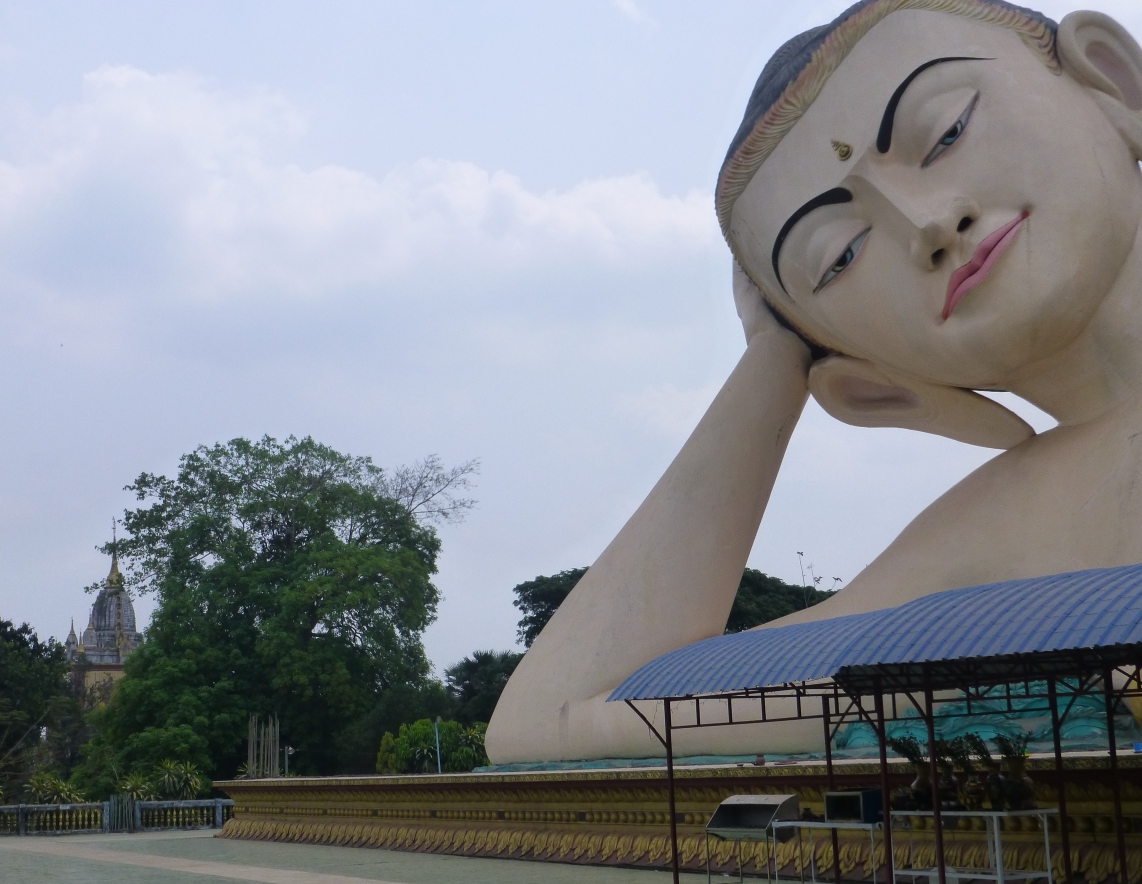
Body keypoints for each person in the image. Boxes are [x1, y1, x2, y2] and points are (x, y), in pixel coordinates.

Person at [487, 1, 1142, 763]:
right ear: (866, 382)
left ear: (1112, 78)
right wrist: (772, 365)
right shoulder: (1003, 523)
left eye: (946, 132)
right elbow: (550, 721)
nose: (926, 225)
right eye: (840, 255)